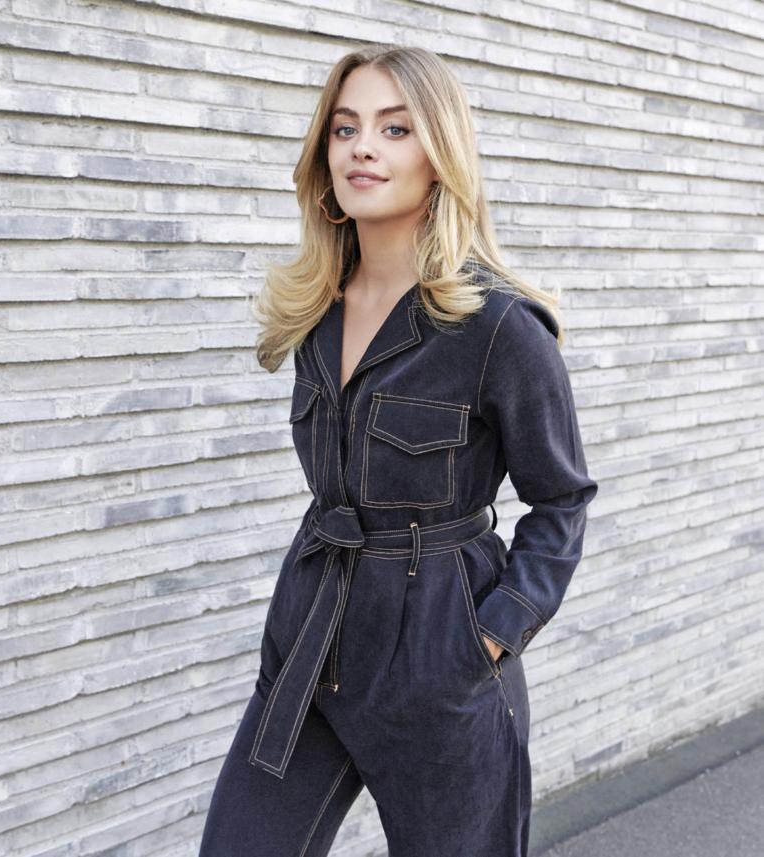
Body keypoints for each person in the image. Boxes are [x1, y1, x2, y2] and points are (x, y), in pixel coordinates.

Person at [198, 43, 598, 857]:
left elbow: (560, 499)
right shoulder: (315, 311)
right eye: (344, 128)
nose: (363, 148)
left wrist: (486, 636)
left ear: (438, 153)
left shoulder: (497, 327)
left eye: (394, 128)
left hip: (439, 658)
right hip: (311, 641)